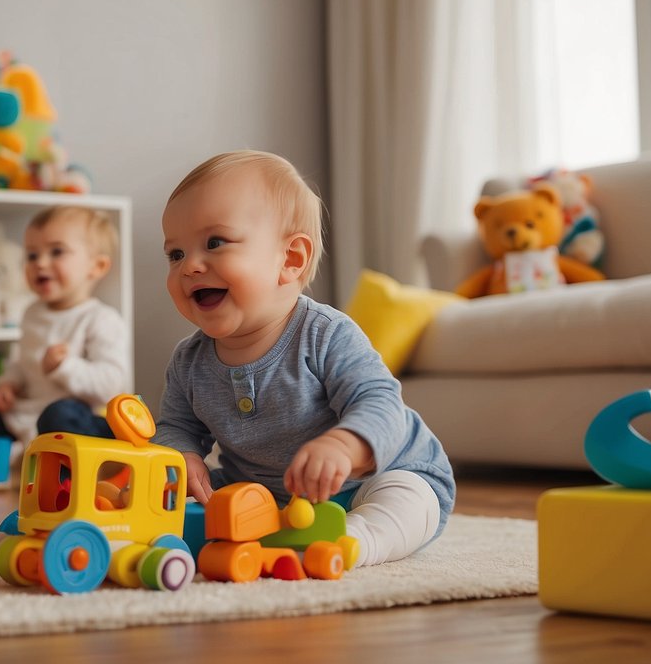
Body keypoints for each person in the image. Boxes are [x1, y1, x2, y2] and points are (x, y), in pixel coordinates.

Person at [152, 150, 455, 567]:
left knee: (407, 497)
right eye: (175, 254)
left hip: (370, 479)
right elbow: (175, 426)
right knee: (182, 507)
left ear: (290, 260)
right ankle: (276, 534)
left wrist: (344, 446)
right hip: (266, 495)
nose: (189, 267)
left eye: (215, 243)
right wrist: (182, 457)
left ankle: (354, 542)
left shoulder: (326, 334)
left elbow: (382, 403)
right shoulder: (189, 361)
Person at [0, 205, 131, 451]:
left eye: (57, 252)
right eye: (32, 255)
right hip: (30, 415)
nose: (40, 263)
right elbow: (23, 364)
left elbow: (111, 383)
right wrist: (9, 383)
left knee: (59, 415)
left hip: (81, 420)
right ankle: (13, 471)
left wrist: (64, 367)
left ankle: (65, 480)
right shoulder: (32, 313)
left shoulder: (101, 319)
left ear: (96, 267)